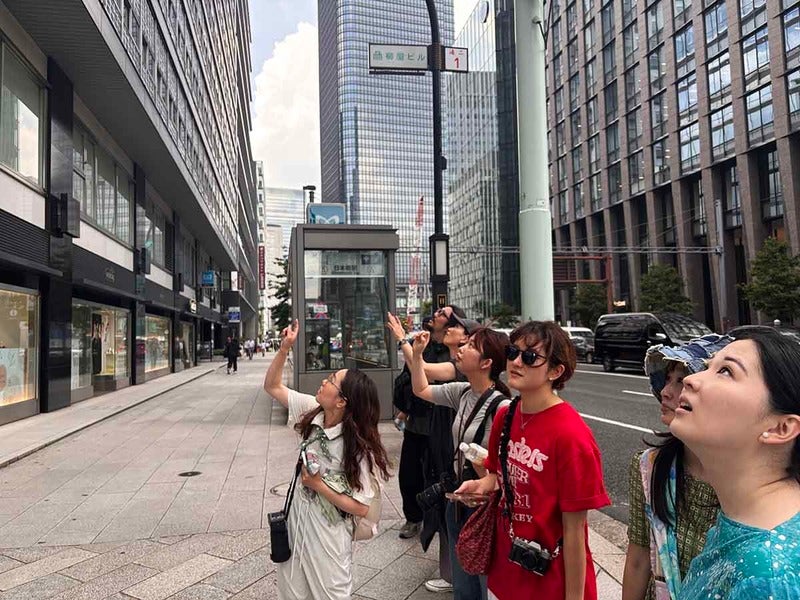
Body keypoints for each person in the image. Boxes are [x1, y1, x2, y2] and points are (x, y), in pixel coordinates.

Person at [456, 321, 610, 600]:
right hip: (505, 569)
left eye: (530, 357)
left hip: (549, 580)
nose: (516, 362)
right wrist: (481, 486)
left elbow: (575, 531)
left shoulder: (572, 436)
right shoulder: (506, 416)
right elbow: (498, 475)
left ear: (555, 371)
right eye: (513, 352)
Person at [668, 327, 800, 599]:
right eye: (708, 366)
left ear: (781, 428)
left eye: (726, 371)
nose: (690, 379)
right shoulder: (744, 519)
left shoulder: (767, 577)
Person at [263, 319, 391, 600]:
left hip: (328, 537)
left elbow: (361, 507)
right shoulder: (314, 411)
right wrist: (284, 348)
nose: (324, 381)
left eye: (331, 380)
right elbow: (272, 386)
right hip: (296, 527)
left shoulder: (358, 447)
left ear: (342, 401)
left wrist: (319, 486)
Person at [622, 335, 732, 600]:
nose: (665, 391)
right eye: (668, 380)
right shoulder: (650, 468)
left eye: (681, 381)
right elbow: (638, 560)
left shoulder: (747, 477)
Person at [410, 327, 512, 600]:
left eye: (471, 346)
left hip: (483, 505)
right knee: (462, 578)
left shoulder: (502, 407)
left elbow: (505, 467)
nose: (462, 349)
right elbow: (421, 389)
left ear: (486, 362)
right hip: (458, 498)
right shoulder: (463, 392)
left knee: (483, 579)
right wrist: (417, 355)